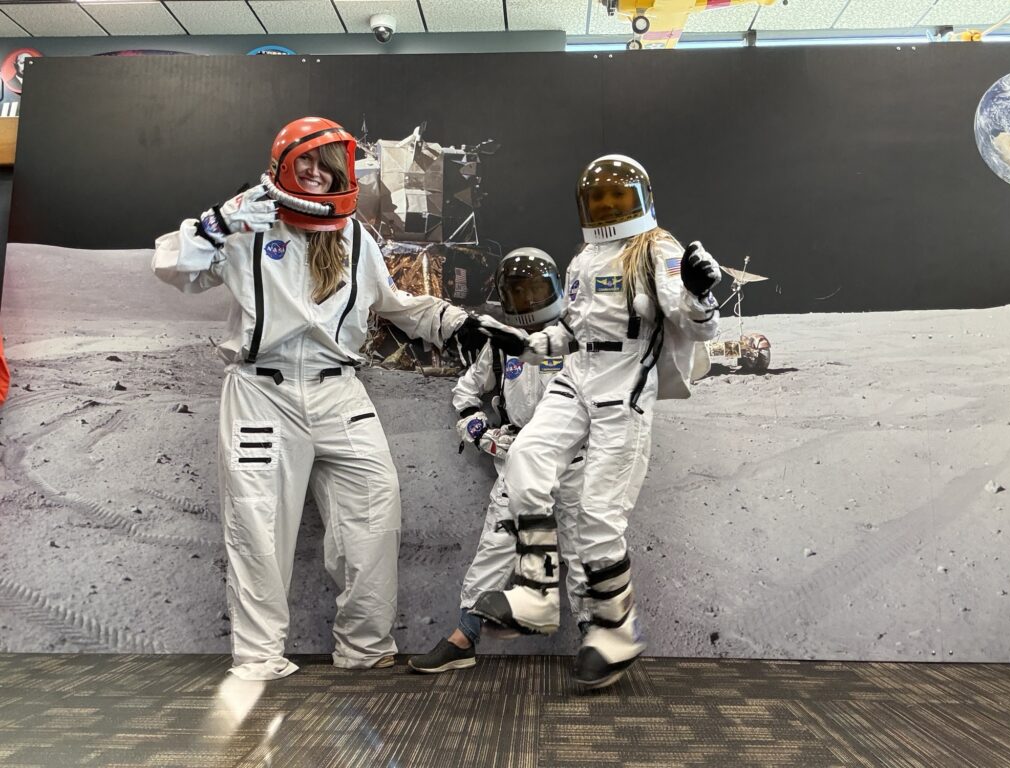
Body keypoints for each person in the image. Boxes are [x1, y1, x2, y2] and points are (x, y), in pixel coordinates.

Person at [152, 116, 497, 680]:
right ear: (281, 165)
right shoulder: (248, 226)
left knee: (374, 517)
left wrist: (456, 322)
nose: (315, 172)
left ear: (342, 172)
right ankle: (259, 658)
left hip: (340, 393)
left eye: (326, 163)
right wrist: (217, 223)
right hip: (262, 394)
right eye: (304, 160)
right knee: (258, 526)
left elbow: (390, 303)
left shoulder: (355, 238)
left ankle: (365, 647)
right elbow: (171, 266)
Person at [471, 154, 721, 689]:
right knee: (526, 459)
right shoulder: (584, 257)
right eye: (598, 197)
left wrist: (700, 294)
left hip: (622, 385)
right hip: (575, 375)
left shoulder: (655, 249)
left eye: (617, 196)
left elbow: (695, 326)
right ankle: (536, 594)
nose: (607, 205)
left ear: (642, 199)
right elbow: (571, 330)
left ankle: (615, 631)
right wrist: (527, 344)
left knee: (598, 517)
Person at [408, 248, 588, 673]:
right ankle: (464, 638)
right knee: (496, 546)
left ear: (555, 288)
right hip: (520, 458)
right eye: (519, 292)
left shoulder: (578, 338)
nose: (529, 300)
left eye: (536, 290)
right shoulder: (502, 344)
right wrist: (478, 429)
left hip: (574, 459)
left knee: (584, 550)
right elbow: (465, 393)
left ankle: (597, 641)